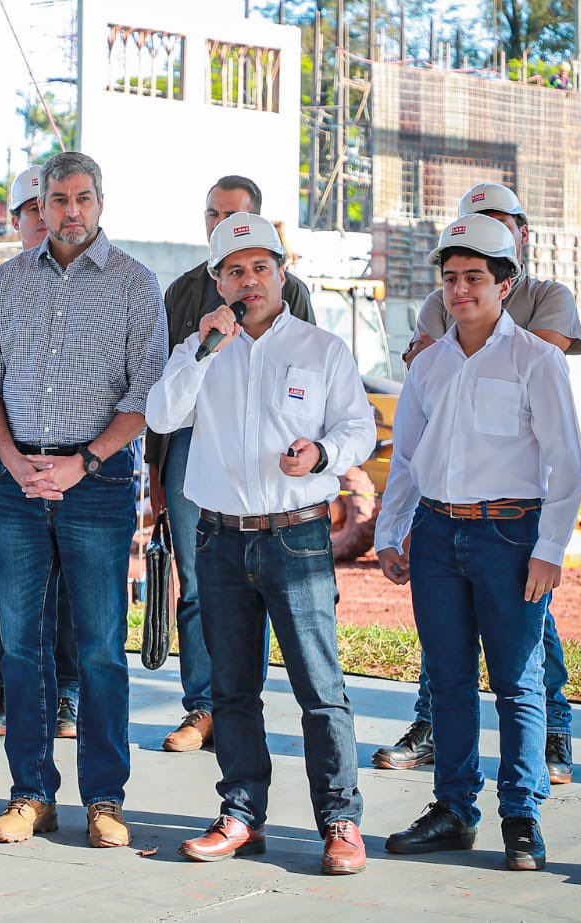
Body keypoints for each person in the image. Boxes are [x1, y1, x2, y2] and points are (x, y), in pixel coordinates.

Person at [147, 212, 374, 874]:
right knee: (233, 690)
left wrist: (325, 451)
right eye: (235, 271)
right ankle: (242, 812)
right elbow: (161, 416)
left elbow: (358, 428)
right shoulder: (202, 349)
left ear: (282, 272)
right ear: (218, 281)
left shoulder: (321, 348)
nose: (250, 281)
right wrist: (199, 348)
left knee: (319, 685)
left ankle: (339, 819)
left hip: (296, 537)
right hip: (219, 540)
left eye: (261, 268)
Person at [0, 150, 167, 850]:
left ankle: (106, 800)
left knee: (101, 648)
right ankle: (30, 794)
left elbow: (146, 394)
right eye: (58, 199)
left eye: (83, 198)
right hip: (16, 482)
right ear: (40, 205)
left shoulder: (137, 286)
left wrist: (83, 462)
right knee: (21, 648)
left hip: (98, 481)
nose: (71, 211)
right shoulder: (5, 284)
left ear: (100, 202)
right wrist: (15, 458)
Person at [375, 213, 581, 872]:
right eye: (450, 279)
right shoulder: (429, 365)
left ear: (504, 283)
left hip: (510, 535)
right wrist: (390, 532)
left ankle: (521, 816)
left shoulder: (537, 361)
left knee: (520, 683)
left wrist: (550, 547)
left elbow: (566, 461)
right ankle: (454, 809)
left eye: (474, 278)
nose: (459, 290)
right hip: (437, 533)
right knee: (451, 679)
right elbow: (406, 456)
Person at [145, 174, 314, 754]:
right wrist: (157, 475)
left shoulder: (290, 291)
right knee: (196, 582)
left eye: (235, 216)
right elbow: (162, 388)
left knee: (260, 580)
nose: (222, 225)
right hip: (194, 446)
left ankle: (243, 702)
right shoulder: (185, 291)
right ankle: (202, 706)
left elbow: (310, 379)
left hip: (268, 452)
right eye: (213, 215)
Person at [0, 167, 80, 739]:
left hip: (74, 455)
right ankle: (4, 691)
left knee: (67, 574)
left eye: (54, 205)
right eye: (33, 211)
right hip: (5, 449)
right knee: (1, 575)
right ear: (16, 221)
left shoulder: (98, 280)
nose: (46, 219)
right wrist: (9, 452)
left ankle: (64, 694)